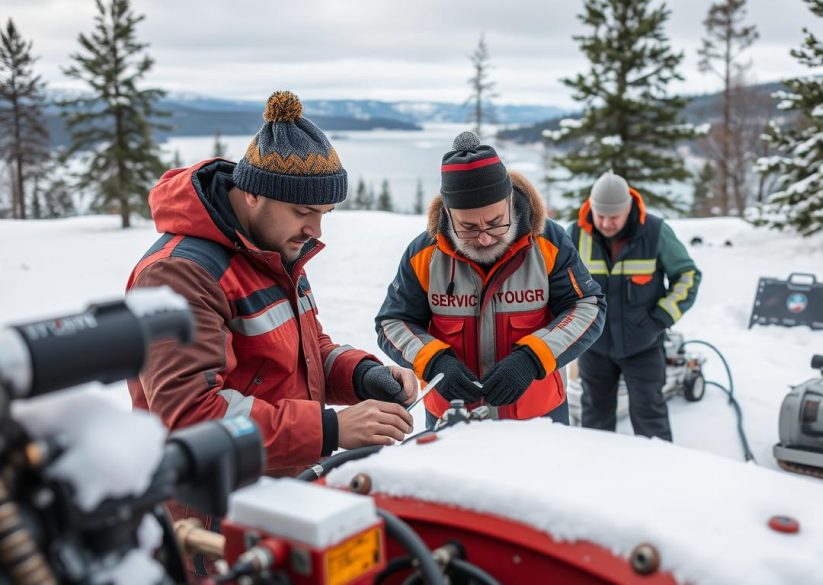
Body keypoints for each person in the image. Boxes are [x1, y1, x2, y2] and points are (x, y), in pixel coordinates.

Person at [127, 91, 417, 481]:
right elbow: (189, 415)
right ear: (252, 194)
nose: (315, 231)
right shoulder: (180, 274)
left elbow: (304, 352)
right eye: (303, 212)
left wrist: (362, 376)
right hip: (211, 508)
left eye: (325, 214)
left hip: (275, 486)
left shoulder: (272, 248)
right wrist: (331, 429)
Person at [376, 131, 606, 428]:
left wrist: (532, 358)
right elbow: (392, 323)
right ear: (448, 213)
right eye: (469, 227)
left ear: (510, 201)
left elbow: (588, 307)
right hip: (452, 419)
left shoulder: (548, 242)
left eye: (496, 223)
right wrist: (434, 361)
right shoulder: (424, 254)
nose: (484, 238)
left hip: (539, 418)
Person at [568, 171, 701, 441]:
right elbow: (560, 281)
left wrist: (660, 319)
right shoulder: (576, 234)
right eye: (599, 215)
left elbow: (687, 276)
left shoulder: (655, 232)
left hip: (643, 344)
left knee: (650, 416)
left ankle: (656, 477)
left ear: (628, 208)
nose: (605, 223)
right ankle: (597, 471)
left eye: (613, 217)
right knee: (594, 418)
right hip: (595, 346)